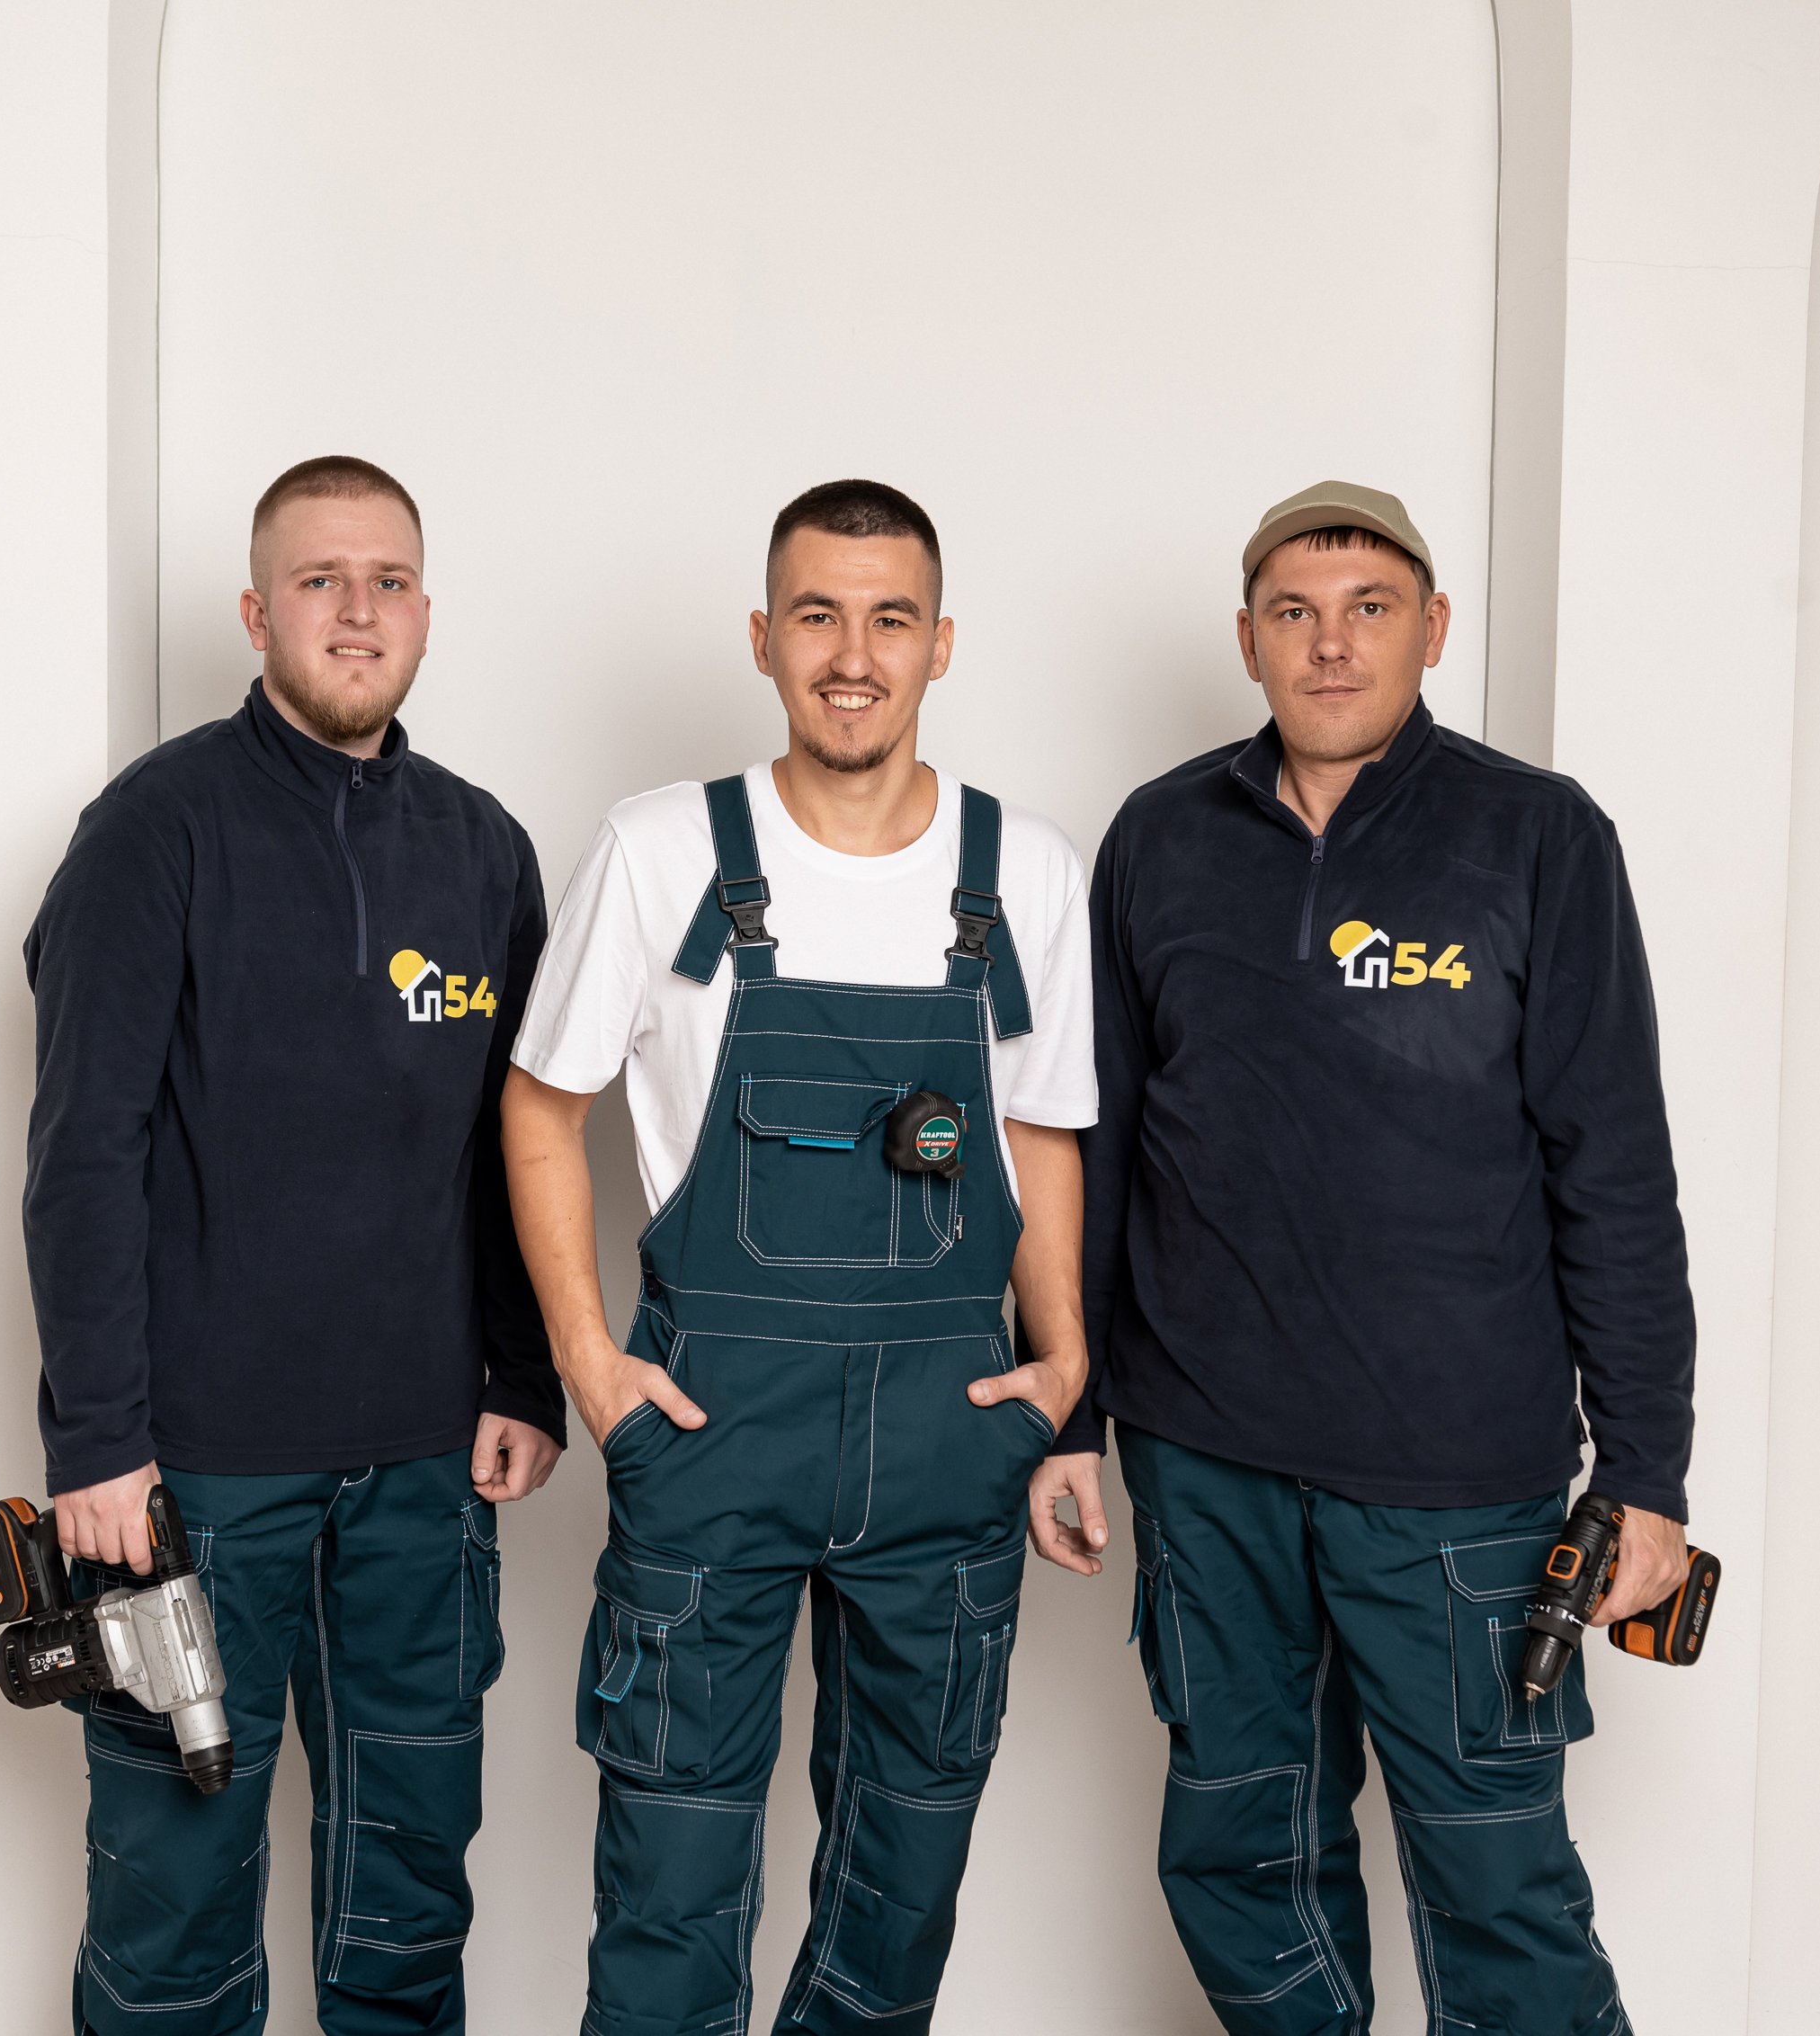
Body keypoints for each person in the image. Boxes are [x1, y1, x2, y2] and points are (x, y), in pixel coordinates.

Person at [1035, 479, 1697, 2034]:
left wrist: (1646, 1471)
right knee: (1242, 1861)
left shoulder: (1538, 836)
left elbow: (1614, 1165)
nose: (1331, 645)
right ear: (1249, 640)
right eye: (1296, 612)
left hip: (1458, 1485)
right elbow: (1096, 1146)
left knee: (1497, 1884)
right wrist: (1069, 1410)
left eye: (1370, 609)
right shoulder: (1159, 837)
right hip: (1207, 1464)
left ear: (1432, 629)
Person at [502, 479, 1097, 2033]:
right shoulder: (659, 851)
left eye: (891, 619)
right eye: (818, 616)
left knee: (902, 1893)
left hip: (948, 1438)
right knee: (670, 1891)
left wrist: (1066, 1374)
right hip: (712, 1430)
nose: (854, 654)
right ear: (764, 638)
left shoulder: (1023, 869)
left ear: (940, 644)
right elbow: (541, 1103)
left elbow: (1042, 1133)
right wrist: (589, 1365)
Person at [21, 455, 561, 2036]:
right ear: (258, 615)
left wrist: (520, 1376)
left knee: (409, 1898)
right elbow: (82, 1150)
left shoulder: (483, 850)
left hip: (423, 1477)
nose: (357, 611)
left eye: (388, 581)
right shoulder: (155, 829)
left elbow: (512, 1147)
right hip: (197, 1482)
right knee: (174, 1908)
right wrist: (98, 1440)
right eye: (321, 580)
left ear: (427, 613)